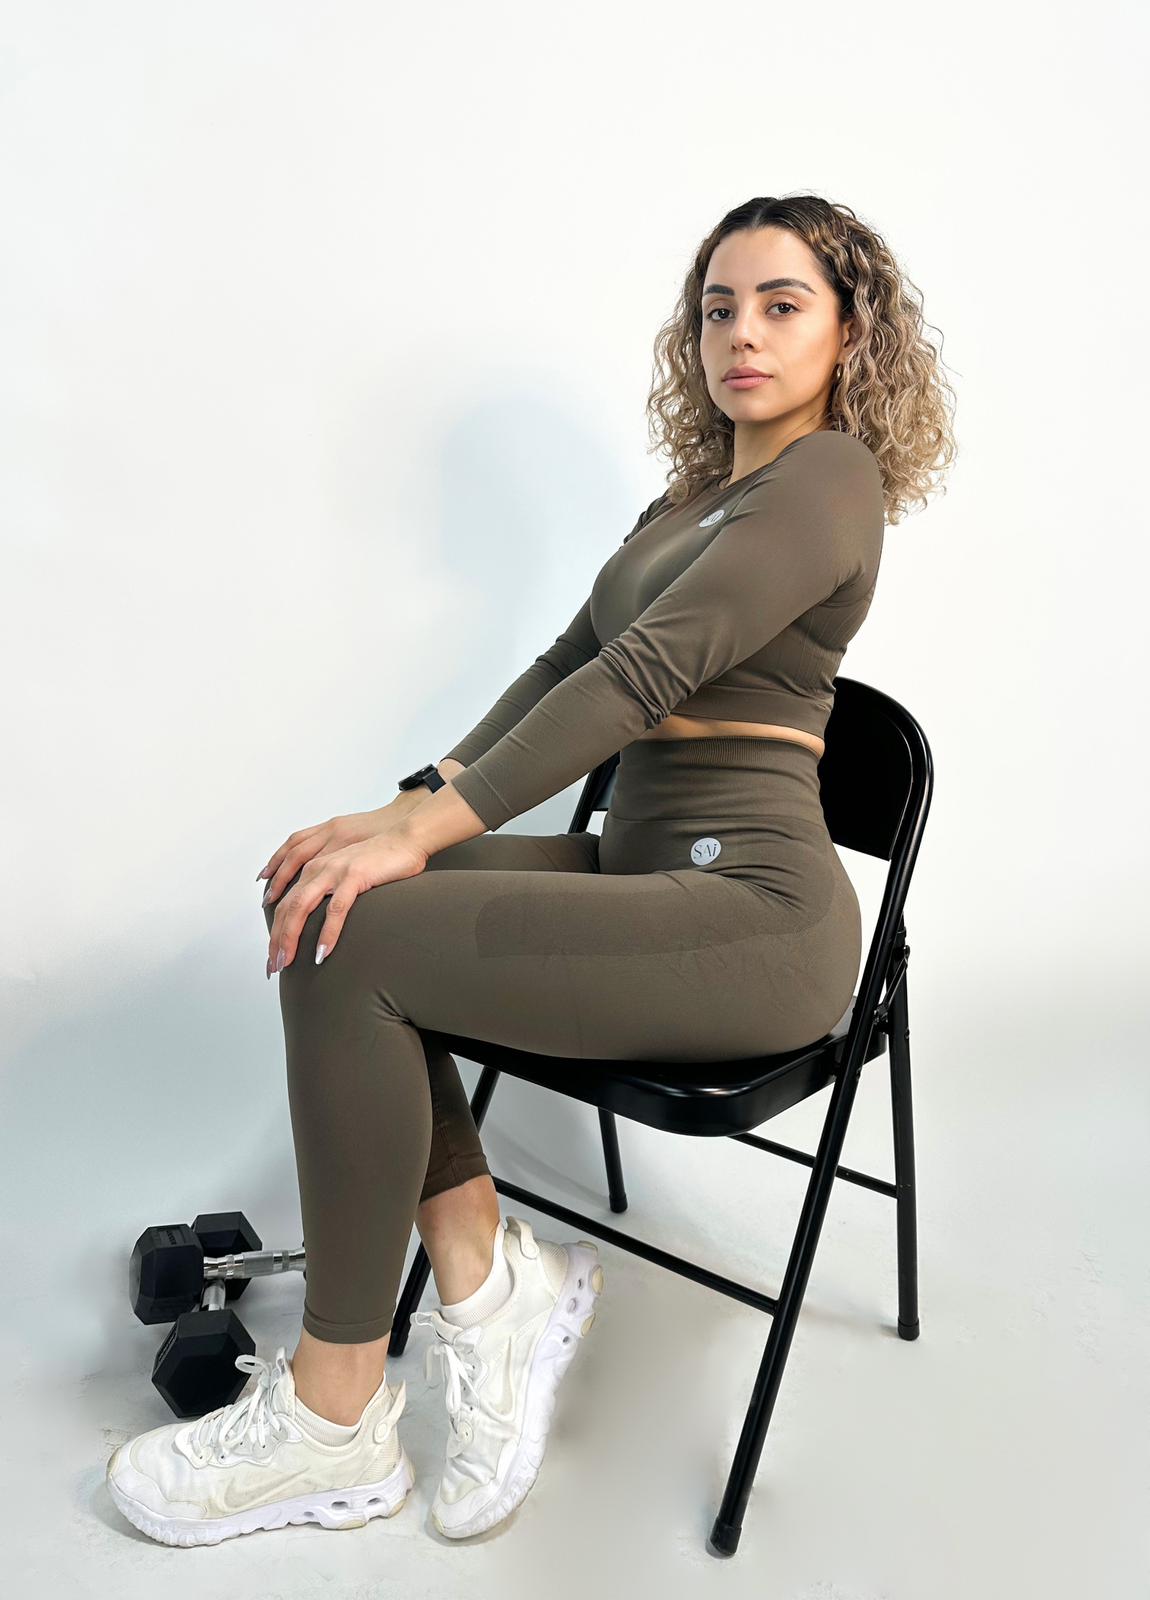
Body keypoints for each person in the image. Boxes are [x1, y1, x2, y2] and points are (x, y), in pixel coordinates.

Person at [106, 193, 956, 1547]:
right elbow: (566, 662)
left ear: (850, 332)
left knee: (368, 926)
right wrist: (407, 806)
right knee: (325, 906)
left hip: (755, 918)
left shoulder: (827, 479)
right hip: (637, 874)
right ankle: (489, 1286)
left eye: (780, 303)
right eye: (716, 306)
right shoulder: (687, 500)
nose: (739, 331)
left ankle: (332, 1425)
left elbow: (641, 675)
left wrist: (421, 834)